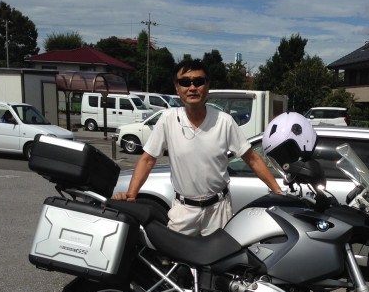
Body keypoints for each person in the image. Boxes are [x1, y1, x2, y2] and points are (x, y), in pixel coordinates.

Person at [113, 59, 283, 236]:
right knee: (176, 252)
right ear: (177, 87)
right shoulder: (168, 119)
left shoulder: (224, 121)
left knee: (221, 253)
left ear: (207, 86)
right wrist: (131, 194)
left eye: (198, 81)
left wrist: (278, 192)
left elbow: (252, 158)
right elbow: (148, 160)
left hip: (218, 210)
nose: (192, 87)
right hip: (183, 211)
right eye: (185, 82)